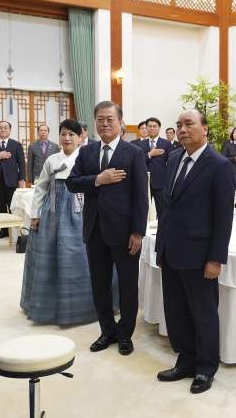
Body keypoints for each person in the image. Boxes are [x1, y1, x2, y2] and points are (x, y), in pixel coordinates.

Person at [155, 109, 235, 394]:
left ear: (205, 129)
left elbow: (223, 218)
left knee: (203, 314)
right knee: (176, 312)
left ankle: (205, 367)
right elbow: (167, 208)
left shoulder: (219, 165)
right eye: (178, 125)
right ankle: (185, 360)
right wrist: (160, 248)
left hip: (200, 254)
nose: (182, 129)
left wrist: (215, 258)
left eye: (189, 124)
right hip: (171, 251)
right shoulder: (174, 158)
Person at [66, 101, 148, 356]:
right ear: (94, 124)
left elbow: (140, 196)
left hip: (124, 232)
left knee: (127, 286)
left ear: (120, 123)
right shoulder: (86, 152)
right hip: (95, 229)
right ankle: (107, 331)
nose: (105, 124)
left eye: (110, 119)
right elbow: (72, 182)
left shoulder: (133, 152)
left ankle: (125, 335)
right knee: (99, 285)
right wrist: (97, 180)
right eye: (100, 119)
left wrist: (138, 232)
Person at [21, 119, 118, 324]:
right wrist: (36, 215)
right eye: (63, 134)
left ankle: (86, 306)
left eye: (71, 135)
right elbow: (41, 188)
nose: (67, 138)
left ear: (81, 137)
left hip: (81, 209)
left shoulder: (88, 157)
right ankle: (50, 305)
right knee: (50, 257)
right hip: (53, 210)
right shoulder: (52, 160)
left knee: (82, 255)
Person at [0, 121, 25, 239]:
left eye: (5, 128)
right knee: (1, 206)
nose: (3, 130)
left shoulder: (16, 144)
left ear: (10, 130)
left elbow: (21, 163)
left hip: (12, 180)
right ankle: (3, 230)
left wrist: (21, 178)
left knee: (12, 205)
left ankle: (12, 230)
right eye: (0, 128)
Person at [141, 117, 172, 218]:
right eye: (149, 126)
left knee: (162, 209)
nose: (152, 128)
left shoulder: (166, 144)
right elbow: (137, 161)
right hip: (144, 182)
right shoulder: (140, 144)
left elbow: (171, 163)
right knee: (144, 209)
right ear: (146, 128)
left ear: (159, 128)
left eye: (155, 126)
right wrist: (150, 154)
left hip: (160, 182)